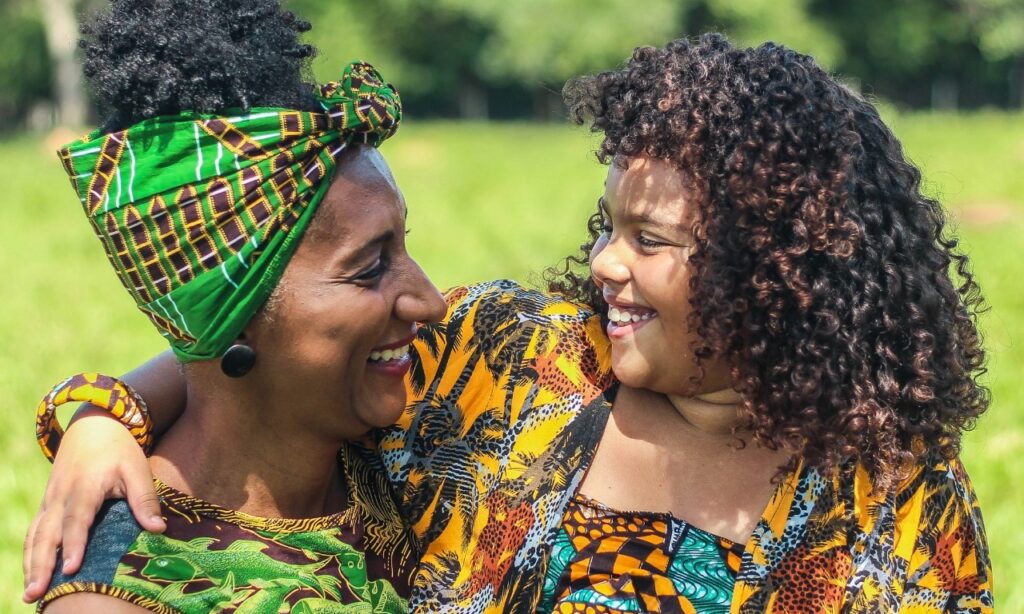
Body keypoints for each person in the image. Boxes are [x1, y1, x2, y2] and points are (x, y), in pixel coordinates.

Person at [25, 34, 993, 612]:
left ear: (781, 268)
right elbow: (257, 348)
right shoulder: (506, 360)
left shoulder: (892, 486)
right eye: (608, 225)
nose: (606, 261)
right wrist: (100, 411)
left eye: (649, 238)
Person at [25, 0, 452, 611]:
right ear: (234, 317)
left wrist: (106, 407)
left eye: (404, 245)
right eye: (370, 267)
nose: (430, 303)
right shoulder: (127, 593)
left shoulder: (430, 406)